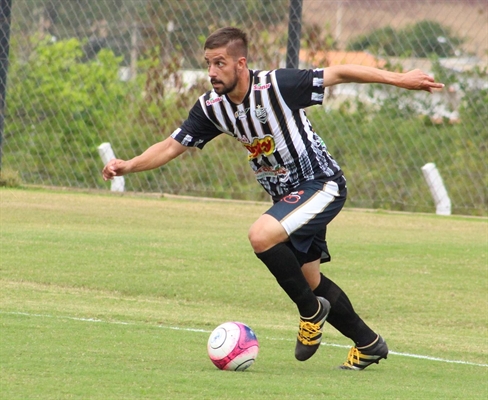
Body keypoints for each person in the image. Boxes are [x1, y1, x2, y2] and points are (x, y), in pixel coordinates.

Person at [103, 27, 444, 370]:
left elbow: (339, 73)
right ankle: (369, 343)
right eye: (207, 63)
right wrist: (128, 165)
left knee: (261, 236)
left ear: (241, 63)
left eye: (219, 63)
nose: (211, 72)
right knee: (310, 280)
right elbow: (171, 145)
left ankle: (311, 313)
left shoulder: (277, 85)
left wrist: (400, 79)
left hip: (321, 183)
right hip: (289, 198)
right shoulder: (212, 107)